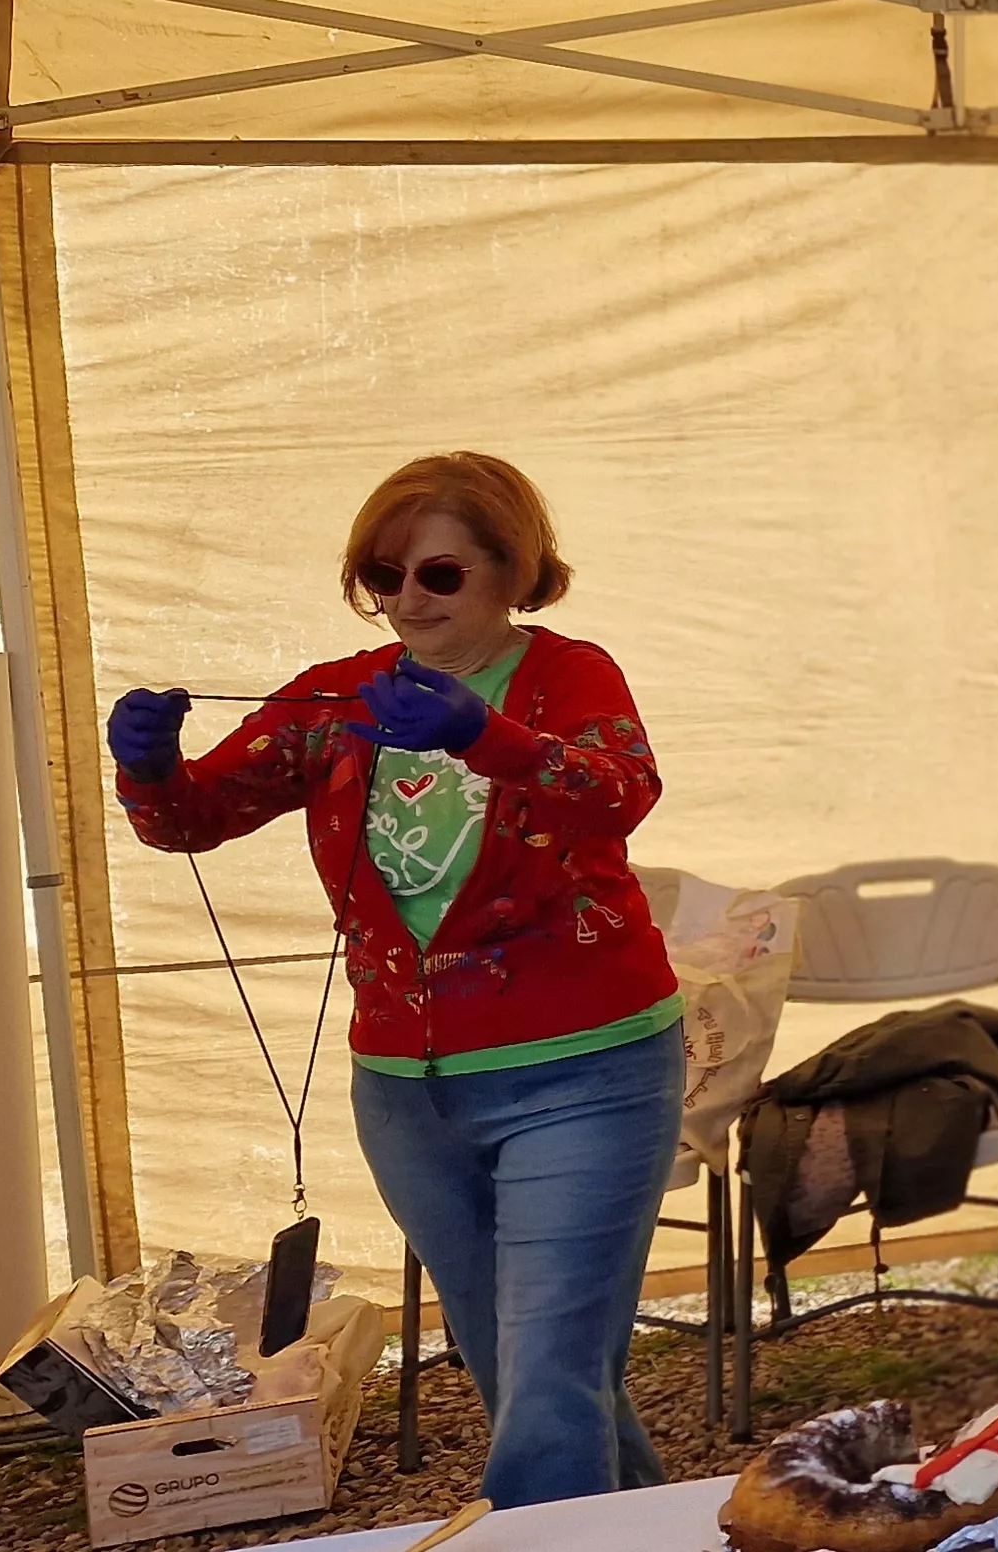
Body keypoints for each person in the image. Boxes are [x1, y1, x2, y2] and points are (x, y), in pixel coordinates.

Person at [107, 452, 678, 1508]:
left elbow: (621, 792)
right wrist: (147, 766)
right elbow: (192, 820)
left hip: (587, 1070)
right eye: (383, 575)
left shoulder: (569, 676)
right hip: (408, 1096)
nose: (406, 600)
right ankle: (656, 1526)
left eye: (440, 576)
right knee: (526, 1362)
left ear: (514, 572)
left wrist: (486, 736)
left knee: (547, 1365)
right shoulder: (336, 698)